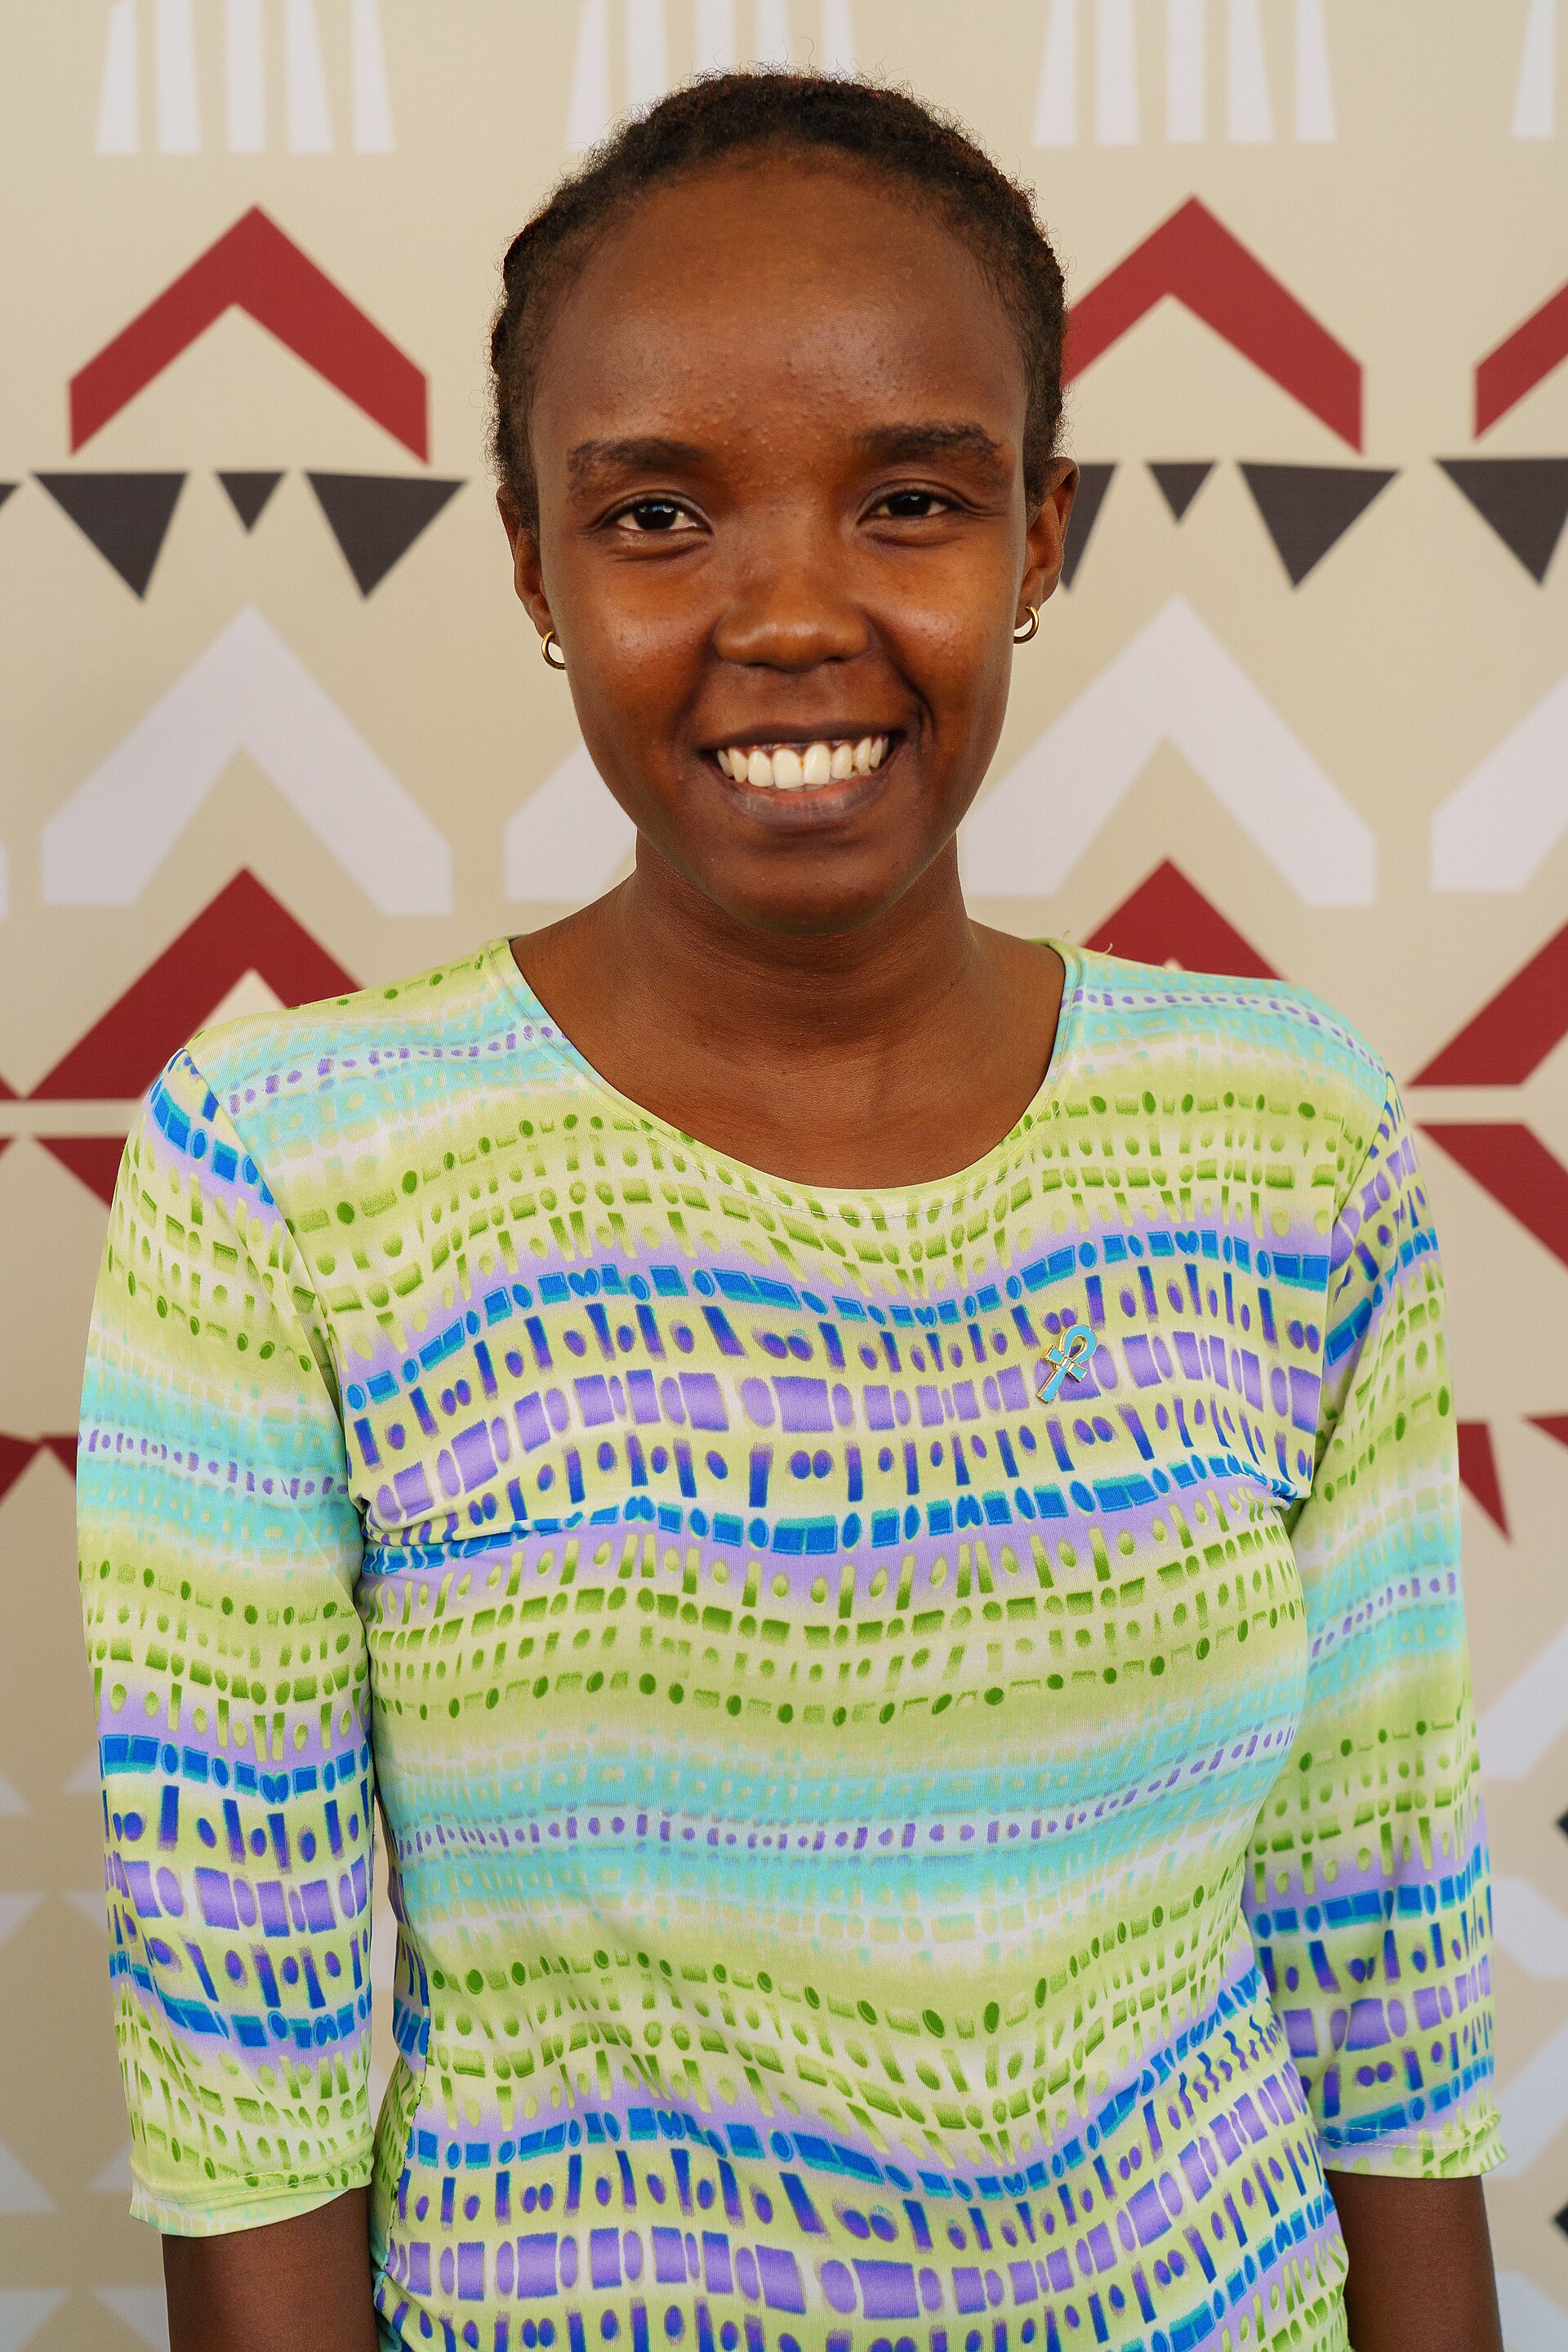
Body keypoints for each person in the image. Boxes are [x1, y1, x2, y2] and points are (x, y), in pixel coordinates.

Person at [77, 71, 1503, 2352]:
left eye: (911, 498)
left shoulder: (1287, 1133)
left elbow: (1385, 1930)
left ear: (1041, 537)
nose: (792, 613)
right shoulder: (294, 1165)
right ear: (537, 570)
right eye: (658, 518)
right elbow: (245, 2045)